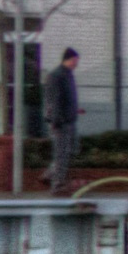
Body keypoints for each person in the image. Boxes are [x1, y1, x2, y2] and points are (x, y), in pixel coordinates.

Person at [45, 47, 82, 192]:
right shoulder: (56, 76)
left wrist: (74, 109)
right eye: (75, 61)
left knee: (72, 149)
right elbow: (53, 100)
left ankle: (50, 174)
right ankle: (58, 184)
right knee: (62, 153)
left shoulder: (68, 75)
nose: (76, 64)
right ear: (68, 59)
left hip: (70, 119)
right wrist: (55, 120)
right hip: (61, 122)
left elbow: (67, 98)